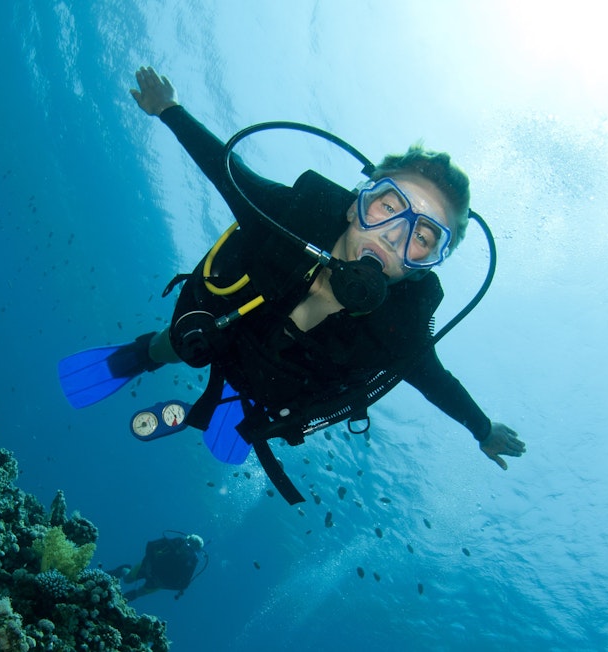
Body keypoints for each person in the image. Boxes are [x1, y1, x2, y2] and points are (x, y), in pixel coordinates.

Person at [59, 66, 524, 501]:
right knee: (188, 341)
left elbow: (436, 382)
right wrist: (169, 109)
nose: (394, 235)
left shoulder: (399, 332)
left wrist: (483, 430)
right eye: (388, 207)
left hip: (274, 389)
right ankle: (144, 354)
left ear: (425, 266)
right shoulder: (287, 216)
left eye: (423, 237)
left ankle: (232, 406)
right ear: (354, 204)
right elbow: (227, 170)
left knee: (264, 404)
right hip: (224, 332)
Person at [109, 532, 207, 601]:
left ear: (195, 553)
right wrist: (148, 565)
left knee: (140, 592)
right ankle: (124, 569)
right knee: (127, 580)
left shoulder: (190, 563)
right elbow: (151, 545)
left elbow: (184, 584)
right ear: (185, 541)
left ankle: (119, 602)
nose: (186, 551)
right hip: (148, 565)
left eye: (191, 551)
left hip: (159, 580)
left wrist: (163, 585)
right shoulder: (174, 543)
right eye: (188, 546)